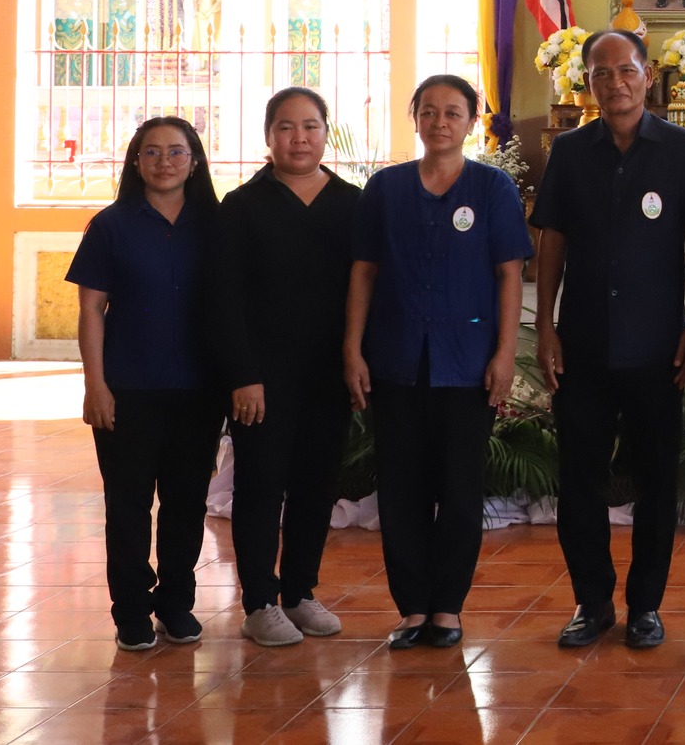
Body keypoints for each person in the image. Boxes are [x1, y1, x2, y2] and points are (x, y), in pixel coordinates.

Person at [531, 29, 685, 651]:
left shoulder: (681, 149)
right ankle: (591, 602)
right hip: (581, 344)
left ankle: (645, 607)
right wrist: (547, 327)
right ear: (588, 84)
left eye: (626, 71)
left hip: (656, 346)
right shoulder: (570, 151)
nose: (615, 83)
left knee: (656, 480)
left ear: (648, 75)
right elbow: (550, 238)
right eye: (601, 74)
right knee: (579, 479)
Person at [343, 75, 530, 649]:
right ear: (414, 117)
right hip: (396, 358)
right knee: (400, 486)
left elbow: (509, 273)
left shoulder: (491, 187)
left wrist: (504, 353)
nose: (441, 122)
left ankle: (447, 607)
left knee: (459, 485)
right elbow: (364, 271)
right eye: (430, 111)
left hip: (467, 362)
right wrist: (352, 347)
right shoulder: (386, 188)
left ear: (472, 121)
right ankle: (412, 608)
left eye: (453, 112)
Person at [207, 87, 361, 647]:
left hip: (328, 372)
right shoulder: (242, 206)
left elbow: (364, 289)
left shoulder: (351, 203)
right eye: (287, 127)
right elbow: (224, 299)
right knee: (261, 487)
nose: (300, 138)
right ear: (268, 136)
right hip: (262, 377)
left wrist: (357, 358)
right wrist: (242, 375)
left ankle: (299, 593)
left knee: (316, 486)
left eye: (311, 126)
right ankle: (258, 602)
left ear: (326, 132)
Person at [69, 116, 224, 651]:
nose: (164, 162)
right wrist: (96, 385)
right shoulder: (110, 225)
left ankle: (176, 604)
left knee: (187, 502)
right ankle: (131, 610)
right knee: (128, 503)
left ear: (195, 161)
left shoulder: (217, 224)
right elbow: (91, 309)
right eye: (152, 152)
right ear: (136, 162)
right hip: (127, 388)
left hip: (199, 390)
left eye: (176, 152)